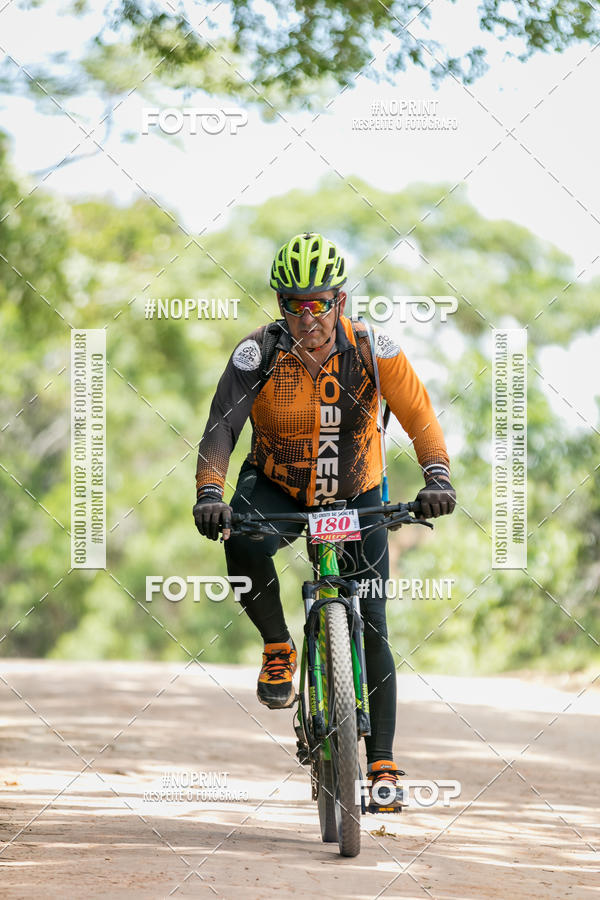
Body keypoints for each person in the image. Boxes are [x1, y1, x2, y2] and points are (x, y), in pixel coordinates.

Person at [193, 232, 456, 809]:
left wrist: (437, 476)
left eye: (319, 302)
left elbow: (420, 419)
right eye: (294, 304)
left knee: (377, 622)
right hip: (279, 486)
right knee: (239, 533)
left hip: (357, 492)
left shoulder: (373, 350)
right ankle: (277, 647)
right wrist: (210, 492)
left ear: (340, 299)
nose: (307, 316)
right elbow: (222, 432)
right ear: (280, 304)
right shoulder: (256, 354)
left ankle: (383, 763)